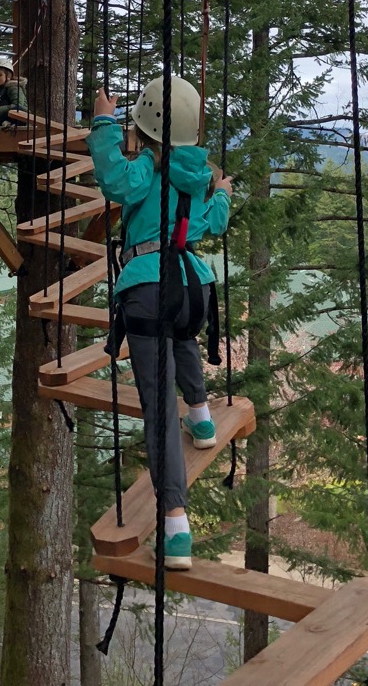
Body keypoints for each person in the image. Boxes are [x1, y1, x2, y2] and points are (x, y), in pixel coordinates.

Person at [88, 75, 233, 570]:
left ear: (145, 133)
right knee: (183, 338)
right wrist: (227, 194)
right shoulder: (199, 177)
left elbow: (112, 177)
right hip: (194, 286)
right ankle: (203, 415)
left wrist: (105, 120)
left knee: (157, 410)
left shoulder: (147, 170)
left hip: (148, 285)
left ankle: (175, 524)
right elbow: (213, 221)